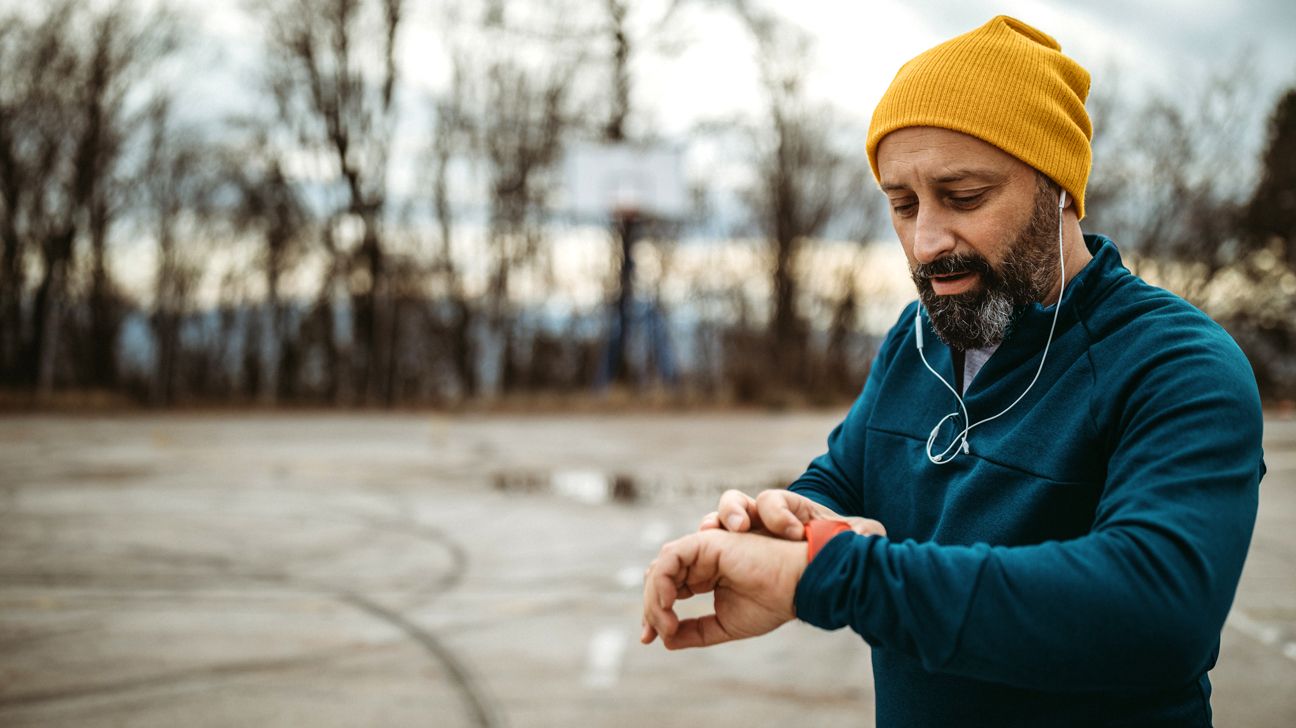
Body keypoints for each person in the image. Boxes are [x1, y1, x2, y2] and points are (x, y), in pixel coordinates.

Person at [640, 15, 1266, 727]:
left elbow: (1157, 613)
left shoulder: (1176, 363)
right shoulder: (918, 337)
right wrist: (772, 528)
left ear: (1058, 187)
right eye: (902, 206)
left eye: (963, 197)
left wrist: (831, 576)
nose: (927, 241)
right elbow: (846, 479)